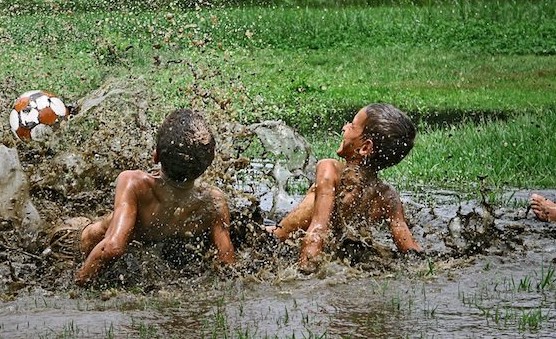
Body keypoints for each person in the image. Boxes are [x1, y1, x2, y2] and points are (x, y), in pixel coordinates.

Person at [48, 108, 235, 286]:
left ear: (156, 156)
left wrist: (79, 283)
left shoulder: (135, 184)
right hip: (69, 241)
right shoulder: (213, 202)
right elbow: (226, 263)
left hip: (78, 249)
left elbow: (112, 246)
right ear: (209, 162)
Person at [269, 103, 422, 272]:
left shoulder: (331, 171)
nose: (344, 127)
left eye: (352, 126)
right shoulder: (388, 196)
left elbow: (318, 230)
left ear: (365, 148)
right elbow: (410, 249)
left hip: (275, 242)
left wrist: (305, 274)